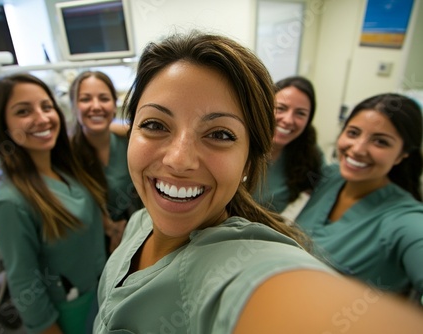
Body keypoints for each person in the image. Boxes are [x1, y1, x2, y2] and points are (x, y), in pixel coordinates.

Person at [93, 31, 423, 334]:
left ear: (249, 161)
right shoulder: (139, 223)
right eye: (155, 124)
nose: (178, 160)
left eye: (219, 134)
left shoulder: (239, 262)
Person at [0, 73, 108, 334]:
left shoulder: (64, 171)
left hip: (101, 292)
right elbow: (25, 285)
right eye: (23, 111)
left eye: (46, 107)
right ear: (2, 125)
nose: (42, 119)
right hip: (69, 312)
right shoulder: (10, 202)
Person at [296, 93, 423, 301]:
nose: (358, 149)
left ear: (402, 154)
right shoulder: (331, 177)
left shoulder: (404, 220)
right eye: (353, 133)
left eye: (380, 142)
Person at [69, 71, 142, 253]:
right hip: (93, 247)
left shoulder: (129, 142)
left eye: (104, 98)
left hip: (139, 232)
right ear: (73, 106)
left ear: (114, 104)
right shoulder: (67, 157)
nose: (96, 106)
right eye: (85, 99)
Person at [253, 76, 323, 217]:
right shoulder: (241, 144)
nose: (288, 120)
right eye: (281, 108)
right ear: (265, 107)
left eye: (300, 113)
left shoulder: (310, 155)